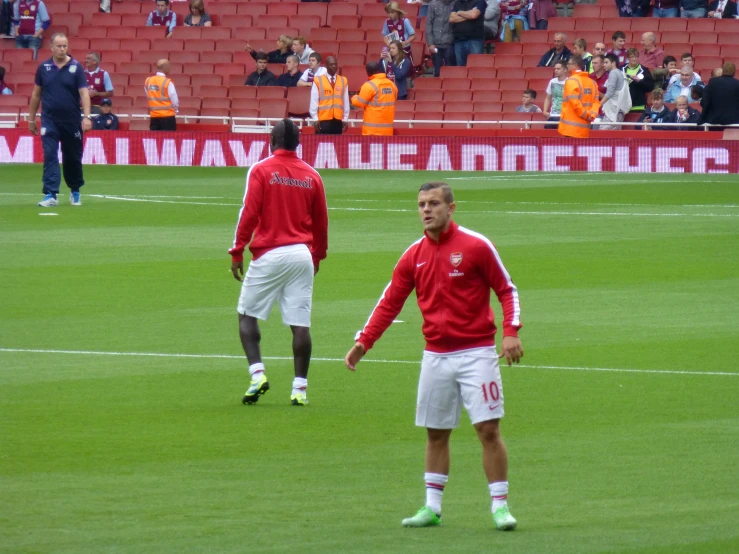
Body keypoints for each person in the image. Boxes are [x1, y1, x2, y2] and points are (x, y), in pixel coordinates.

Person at [344, 181, 523, 532]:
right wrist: (364, 342)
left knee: (488, 430)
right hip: (436, 356)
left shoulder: (476, 246)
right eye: (422, 204)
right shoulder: (414, 255)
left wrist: (511, 331)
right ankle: (432, 507)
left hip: (476, 353)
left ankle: (500, 506)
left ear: (451, 208)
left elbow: (506, 289)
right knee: (436, 433)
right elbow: (389, 301)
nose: (426, 210)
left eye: (434, 204)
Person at [229, 119, 328, 407]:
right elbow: (322, 222)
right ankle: (300, 389)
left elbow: (249, 212)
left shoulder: (261, 169)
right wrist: (318, 255)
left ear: (271, 141)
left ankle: (257, 374)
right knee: (300, 325)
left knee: (247, 314)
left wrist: (237, 251)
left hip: (270, 253)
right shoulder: (312, 175)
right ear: (299, 143)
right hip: (301, 254)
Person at [30, 33, 92, 208]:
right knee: (50, 155)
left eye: (65, 46)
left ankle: (75, 191)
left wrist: (87, 117)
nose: (62, 49)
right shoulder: (43, 68)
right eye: (59, 46)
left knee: (72, 157)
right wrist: (31, 119)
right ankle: (51, 194)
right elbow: (36, 94)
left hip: (72, 121)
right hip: (49, 120)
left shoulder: (76, 67)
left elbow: (84, 93)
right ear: (51, 47)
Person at [350, 61, 398, 136]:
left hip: (371, 132)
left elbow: (359, 103)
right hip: (388, 132)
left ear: (369, 72)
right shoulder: (392, 85)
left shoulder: (369, 86)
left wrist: (354, 97)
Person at [558, 55, 599, 138]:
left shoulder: (571, 81)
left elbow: (575, 103)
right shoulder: (593, 83)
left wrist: (586, 115)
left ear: (575, 65)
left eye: (569, 64)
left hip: (570, 130)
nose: (567, 66)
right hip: (584, 130)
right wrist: (591, 116)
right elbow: (596, 102)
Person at [310, 55, 349, 134]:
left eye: (335, 64)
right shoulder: (318, 80)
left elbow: (346, 100)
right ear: (326, 66)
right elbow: (314, 100)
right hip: (323, 119)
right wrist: (315, 118)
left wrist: (345, 118)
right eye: (331, 64)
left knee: (337, 144)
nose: (334, 66)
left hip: (338, 120)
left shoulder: (343, 80)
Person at [698, 62, 739, 127]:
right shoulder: (737, 84)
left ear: (723, 70)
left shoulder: (713, 82)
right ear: (734, 71)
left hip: (714, 119)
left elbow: (706, 101)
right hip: (734, 121)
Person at [597, 53, 631, 130]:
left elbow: (610, 92)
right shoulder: (620, 73)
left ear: (613, 63)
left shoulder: (613, 73)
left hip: (614, 112)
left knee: (602, 136)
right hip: (618, 111)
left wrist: (598, 105)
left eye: (606, 62)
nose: (604, 65)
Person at [449, 0, 486, 66]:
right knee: (460, 71)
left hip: (475, 40)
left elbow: (474, 15)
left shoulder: (480, 1)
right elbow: (452, 19)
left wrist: (459, 12)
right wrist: (468, 15)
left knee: (475, 68)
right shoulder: (457, 2)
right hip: (459, 40)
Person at [145, 59, 179, 131]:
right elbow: (174, 100)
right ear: (165, 68)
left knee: (155, 139)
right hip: (167, 117)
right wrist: (175, 110)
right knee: (168, 140)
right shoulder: (168, 82)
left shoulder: (148, 81)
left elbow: (148, 95)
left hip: (154, 117)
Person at [427, 0, 456, 77]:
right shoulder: (433, 4)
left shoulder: (456, 3)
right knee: (437, 72)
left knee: (450, 71)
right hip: (436, 43)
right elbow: (429, 24)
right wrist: (430, 43)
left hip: (450, 42)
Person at [622, 47, 654, 112]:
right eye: (632, 57)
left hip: (638, 106)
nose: (634, 59)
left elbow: (650, 87)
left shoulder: (644, 70)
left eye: (636, 57)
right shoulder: (621, 69)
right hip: (622, 105)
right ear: (628, 58)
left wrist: (639, 81)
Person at [543, 61, 567, 128]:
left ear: (565, 70)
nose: (556, 70)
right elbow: (548, 97)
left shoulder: (569, 82)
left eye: (558, 69)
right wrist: (545, 111)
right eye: (555, 69)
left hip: (565, 116)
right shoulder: (552, 81)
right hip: (553, 115)